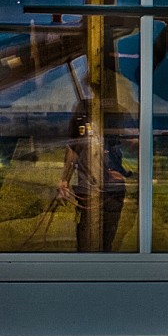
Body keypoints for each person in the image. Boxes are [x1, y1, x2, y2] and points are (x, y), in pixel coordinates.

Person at [56, 102, 131, 252]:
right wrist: (64, 180)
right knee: (86, 240)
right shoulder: (82, 108)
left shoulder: (119, 111)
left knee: (107, 241)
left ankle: (103, 270)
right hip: (88, 189)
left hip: (113, 189)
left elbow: (132, 142)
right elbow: (73, 147)